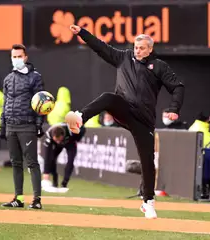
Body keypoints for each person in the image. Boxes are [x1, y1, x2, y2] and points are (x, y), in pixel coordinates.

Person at [65, 25, 185, 219]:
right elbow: (100, 47)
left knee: (147, 161)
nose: (138, 51)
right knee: (108, 98)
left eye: (142, 48)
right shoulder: (124, 58)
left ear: (150, 49)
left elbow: (178, 87)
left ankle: (148, 203)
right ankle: (79, 118)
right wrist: (82, 33)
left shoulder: (159, 66)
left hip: (144, 120)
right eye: (136, 47)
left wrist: (174, 109)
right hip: (125, 110)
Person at [0, 44, 45, 209]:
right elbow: (6, 103)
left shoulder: (35, 77)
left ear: (26, 58)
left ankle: (37, 200)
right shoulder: (7, 79)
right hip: (11, 126)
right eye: (14, 56)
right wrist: (2, 125)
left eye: (19, 56)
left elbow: (42, 102)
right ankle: (18, 198)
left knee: (32, 163)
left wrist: (39, 125)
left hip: (27, 126)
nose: (16, 59)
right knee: (15, 163)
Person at [41, 123, 85, 192]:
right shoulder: (49, 135)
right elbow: (47, 156)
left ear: (63, 135)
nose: (58, 141)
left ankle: (64, 183)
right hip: (58, 145)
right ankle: (55, 182)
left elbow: (83, 129)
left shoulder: (71, 130)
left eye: (59, 139)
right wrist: (46, 173)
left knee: (70, 161)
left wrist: (77, 139)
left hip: (70, 142)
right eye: (56, 140)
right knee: (51, 159)